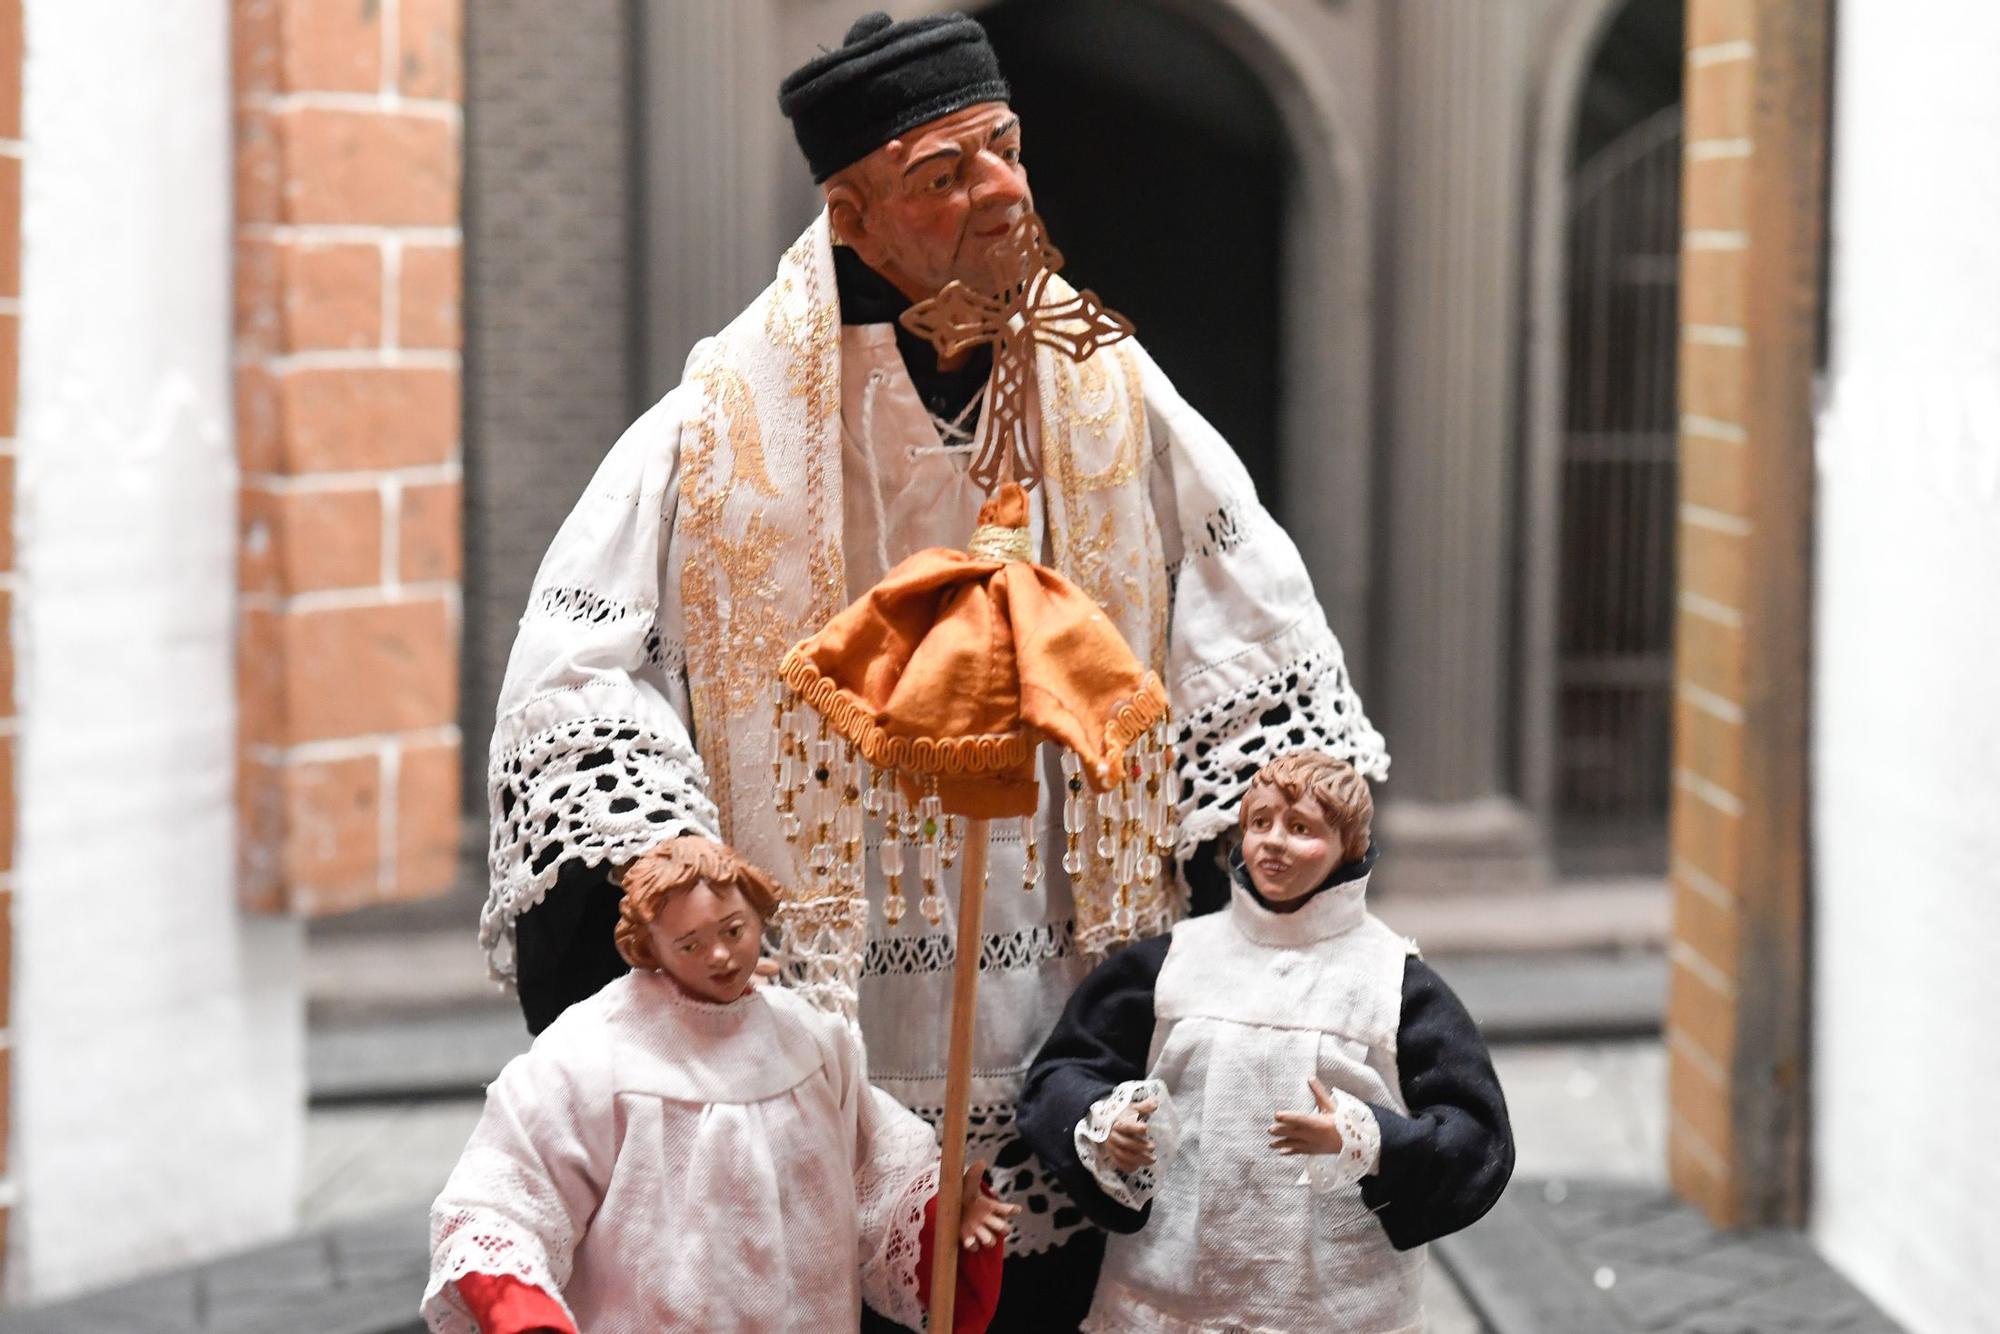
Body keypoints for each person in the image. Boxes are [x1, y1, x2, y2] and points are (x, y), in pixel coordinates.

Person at [480, 11, 1387, 1326]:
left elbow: (1251, 621)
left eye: (1006, 151)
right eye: (945, 173)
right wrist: (669, 865)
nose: (1002, 191)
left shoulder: (1110, 394)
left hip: (1053, 978)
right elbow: (581, 682)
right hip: (821, 1003)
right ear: (852, 215)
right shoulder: (717, 428)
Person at [423, 836, 1014, 1333]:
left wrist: (940, 1216)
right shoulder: (593, 1051)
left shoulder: (808, 1038)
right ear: (648, 945)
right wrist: (522, 1309)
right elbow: (504, 1202)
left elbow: (878, 1176)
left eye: (733, 930)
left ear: (759, 914)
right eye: (690, 944)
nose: (721, 956)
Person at [1017, 753, 1513, 1333]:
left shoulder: (1392, 984)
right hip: (1169, 1291)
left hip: (1333, 1303)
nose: (1274, 844)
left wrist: (1370, 1141)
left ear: (1348, 847)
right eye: (1260, 823)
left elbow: (1476, 1135)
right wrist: (1106, 1122)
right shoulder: (1175, 962)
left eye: (1301, 828)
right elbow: (1062, 1071)